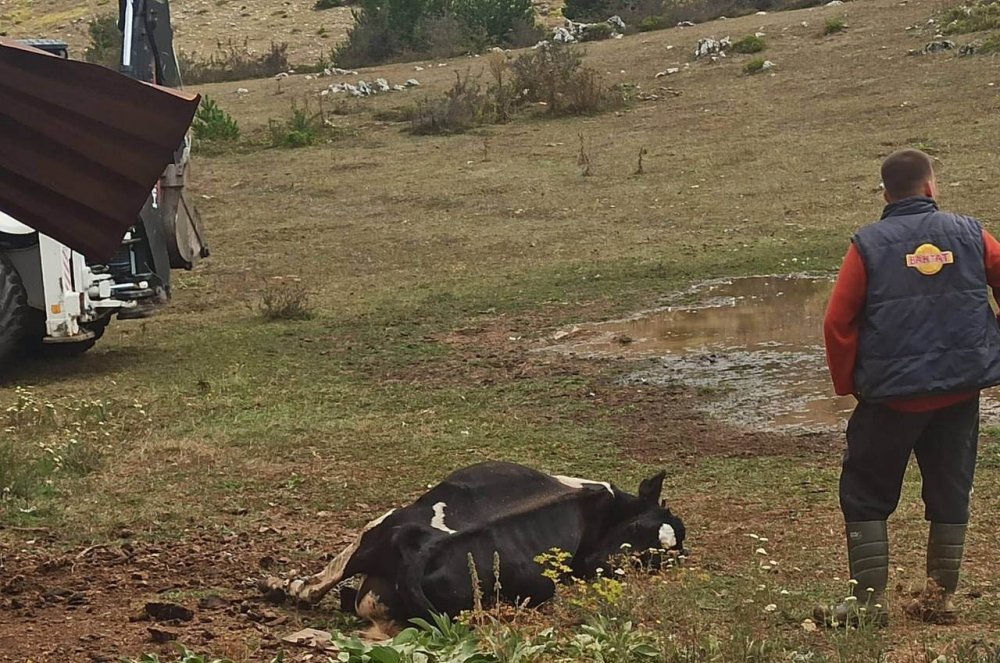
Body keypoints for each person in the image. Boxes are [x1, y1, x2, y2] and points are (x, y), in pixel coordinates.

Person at [818, 148, 1000, 627]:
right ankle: (940, 600)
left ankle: (867, 606)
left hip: (891, 399)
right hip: (960, 393)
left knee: (865, 491)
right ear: (930, 187)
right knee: (950, 489)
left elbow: (838, 321)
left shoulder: (869, 245)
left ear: (886, 193)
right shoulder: (972, 234)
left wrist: (851, 383)